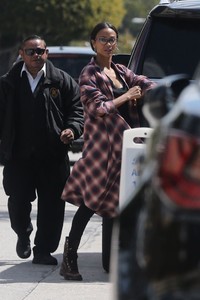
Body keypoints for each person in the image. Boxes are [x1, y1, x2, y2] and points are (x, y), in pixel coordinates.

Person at [59, 22, 156, 280]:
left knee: (121, 205)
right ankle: (69, 257)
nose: (109, 43)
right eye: (103, 39)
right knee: (91, 202)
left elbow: (145, 83)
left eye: (112, 39)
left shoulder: (121, 71)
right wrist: (126, 97)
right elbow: (96, 109)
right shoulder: (89, 73)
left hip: (125, 148)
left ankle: (121, 261)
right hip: (102, 149)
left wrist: (150, 90)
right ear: (93, 43)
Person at [0, 35, 84, 265]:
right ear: (21, 53)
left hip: (52, 155)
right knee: (17, 201)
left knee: (52, 206)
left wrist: (72, 129)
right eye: (31, 52)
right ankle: (23, 232)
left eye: (41, 51)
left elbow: (77, 111)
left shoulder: (61, 80)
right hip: (18, 155)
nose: (37, 56)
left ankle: (43, 250)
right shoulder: (9, 83)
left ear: (47, 53)